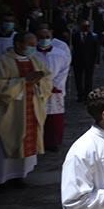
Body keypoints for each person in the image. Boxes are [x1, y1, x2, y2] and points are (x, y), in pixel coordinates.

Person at [0, 32, 52, 188]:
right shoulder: (1, 61)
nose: (33, 48)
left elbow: (46, 80)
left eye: (34, 44)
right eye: (30, 44)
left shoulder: (34, 60)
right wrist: (24, 81)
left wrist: (39, 81)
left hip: (30, 106)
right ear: (18, 44)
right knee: (1, 143)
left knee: (25, 141)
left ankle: (18, 175)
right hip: (8, 110)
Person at [36, 25, 72, 153]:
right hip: (36, 90)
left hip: (55, 90)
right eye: (41, 37)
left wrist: (54, 85)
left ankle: (53, 142)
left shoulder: (60, 53)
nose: (44, 39)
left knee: (54, 117)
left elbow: (64, 71)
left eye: (47, 37)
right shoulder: (32, 54)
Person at [70, 19, 101, 101]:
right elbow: (73, 47)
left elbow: (97, 50)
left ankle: (87, 95)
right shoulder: (75, 35)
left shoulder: (94, 36)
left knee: (88, 79)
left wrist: (97, 62)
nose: (86, 28)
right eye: (84, 26)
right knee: (78, 79)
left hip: (89, 61)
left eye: (87, 26)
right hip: (77, 60)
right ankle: (80, 95)